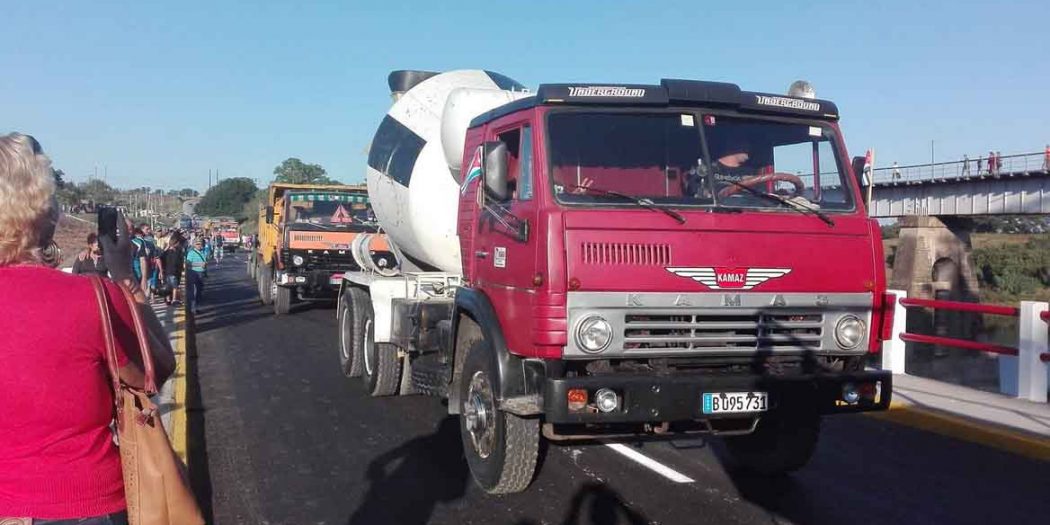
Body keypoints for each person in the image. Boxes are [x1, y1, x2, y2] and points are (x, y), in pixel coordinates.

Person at [0, 132, 175, 523]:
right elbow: (156, 371)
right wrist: (126, 278)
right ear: (41, 212)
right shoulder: (91, 297)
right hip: (82, 503)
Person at [185, 236, 208, 314]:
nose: (199, 245)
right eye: (197, 244)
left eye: (200, 244)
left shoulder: (203, 252)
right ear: (194, 245)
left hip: (201, 273)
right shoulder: (191, 253)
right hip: (193, 273)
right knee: (193, 291)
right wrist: (199, 264)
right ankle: (192, 308)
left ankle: (196, 307)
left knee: (199, 291)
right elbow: (188, 264)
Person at [161, 232, 185, 306]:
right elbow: (178, 262)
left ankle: (168, 300)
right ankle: (174, 299)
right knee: (175, 287)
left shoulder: (165, 252)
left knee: (168, 286)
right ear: (176, 243)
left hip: (167, 271)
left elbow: (162, 260)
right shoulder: (177, 252)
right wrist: (181, 268)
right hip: (174, 271)